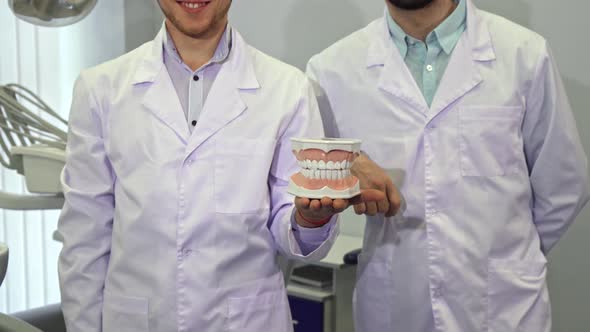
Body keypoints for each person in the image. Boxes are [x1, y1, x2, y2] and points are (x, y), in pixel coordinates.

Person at [57, 1, 383, 331]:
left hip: (247, 320)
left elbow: (295, 231)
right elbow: (84, 238)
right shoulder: (100, 89)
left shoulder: (288, 89)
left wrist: (310, 219)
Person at [306, 0, 590, 331]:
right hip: (396, 300)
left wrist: (509, 257)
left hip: (502, 307)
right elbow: (311, 188)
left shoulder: (524, 54)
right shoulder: (331, 71)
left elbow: (564, 184)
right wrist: (346, 172)